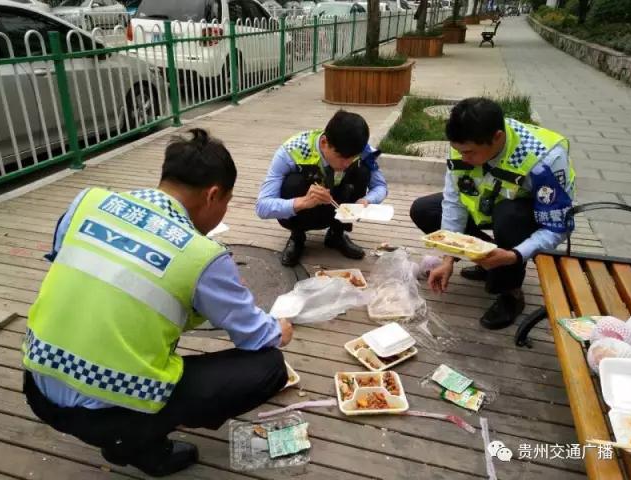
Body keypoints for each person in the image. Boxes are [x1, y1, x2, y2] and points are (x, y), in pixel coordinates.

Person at [22, 129, 294, 477]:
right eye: (227, 201)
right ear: (213, 195)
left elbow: (86, 270)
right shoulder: (202, 255)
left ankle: (124, 431)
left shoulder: (87, 202)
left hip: (37, 387)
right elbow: (255, 335)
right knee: (270, 366)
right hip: (108, 413)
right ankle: (135, 441)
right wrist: (280, 329)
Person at [410, 98, 575, 329]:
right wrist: (448, 256)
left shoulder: (545, 159)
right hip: (486, 205)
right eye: (459, 151)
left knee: (509, 216)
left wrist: (514, 255)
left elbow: (558, 227)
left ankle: (510, 292)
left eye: (469, 152)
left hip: (524, 216)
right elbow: (454, 201)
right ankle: (486, 260)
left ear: (497, 137)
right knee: (425, 209)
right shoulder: (464, 144)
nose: (463, 158)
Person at [256, 110, 388, 266]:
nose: (346, 164)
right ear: (324, 142)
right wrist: (303, 201)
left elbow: (380, 186)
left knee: (362, 171)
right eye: (341, 157)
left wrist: (366, 200)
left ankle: (336, 235)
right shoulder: (291, 152)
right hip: (305, 209)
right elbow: (262, 207)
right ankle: (297, 237)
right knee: (292, 182)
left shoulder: (362, 149)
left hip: (339, 205)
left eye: (352, 158)